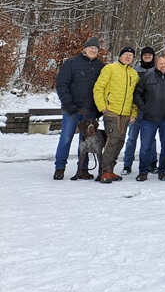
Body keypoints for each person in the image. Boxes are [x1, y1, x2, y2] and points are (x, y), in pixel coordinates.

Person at [54, 36, 104, 180]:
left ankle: (83, 169)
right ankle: (60, 168)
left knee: (86, 141)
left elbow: (103, 88)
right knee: (66, 138)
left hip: (90, 111)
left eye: (96, 49)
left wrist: (99, 108)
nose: (93, 51)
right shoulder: (71, 63)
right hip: (72, 110)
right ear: (84, 49)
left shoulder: (100, 66)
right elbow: (61, 84)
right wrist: (68, 103)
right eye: (91, 48)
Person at [93, 46, 140, 184]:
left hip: (126, 113)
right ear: (120, 56)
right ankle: (104, 172)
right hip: (111, 111)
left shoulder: (134, 74)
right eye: (125, 55)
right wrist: (103, 107)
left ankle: (110, 169)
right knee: (112, 139)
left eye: (131, 56)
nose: (128, 57)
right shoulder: (110, 69)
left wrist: (133, 112)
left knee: (120, 141)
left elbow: (135, 96)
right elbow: (98, 88)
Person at [132, 54, 165, 181]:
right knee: (145, 146)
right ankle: (143, 171)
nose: (163, 66)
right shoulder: (148, 76)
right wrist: (145, 108)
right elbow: (137, 93)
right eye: (161, 63)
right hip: (149, 118)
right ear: (156, 64)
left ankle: (163, 171)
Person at [121, 46, 155, 175]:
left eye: (149, 55)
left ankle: (152, 163)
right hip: (136, 109)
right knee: (132, 137)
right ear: (141, 57)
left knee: (151, 139)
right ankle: (127, 164)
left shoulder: (156, 70)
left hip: (151, 110)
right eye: (145, 55)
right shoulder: (135, 70)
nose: (147, 57)